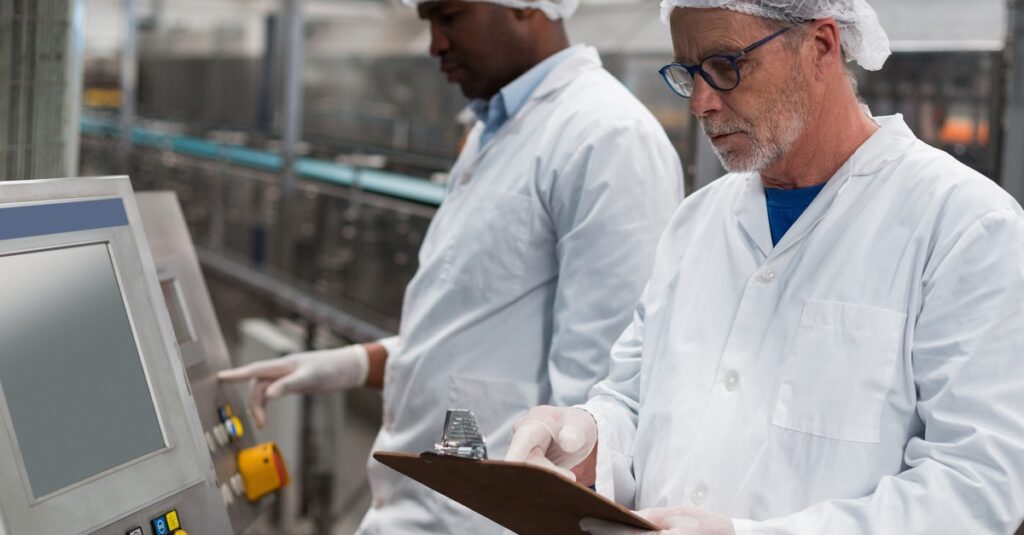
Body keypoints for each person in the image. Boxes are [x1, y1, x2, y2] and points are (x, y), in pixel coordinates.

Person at [505, 1, 1024, 533]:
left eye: (726, 65)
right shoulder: (697, 221)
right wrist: (589, 435)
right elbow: (637, 400)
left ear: (821, 45)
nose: (702, 103)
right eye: (688, 74)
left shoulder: (963, 226)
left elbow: (975, 487)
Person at [218, 0, 685, 532]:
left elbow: (595, 400)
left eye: (450, 16)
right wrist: (344, 364)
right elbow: (470, 330)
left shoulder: (607, 137)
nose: (435, 43)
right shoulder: (494, 132)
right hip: (411, 499)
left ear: (526, 7)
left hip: (479, 520)